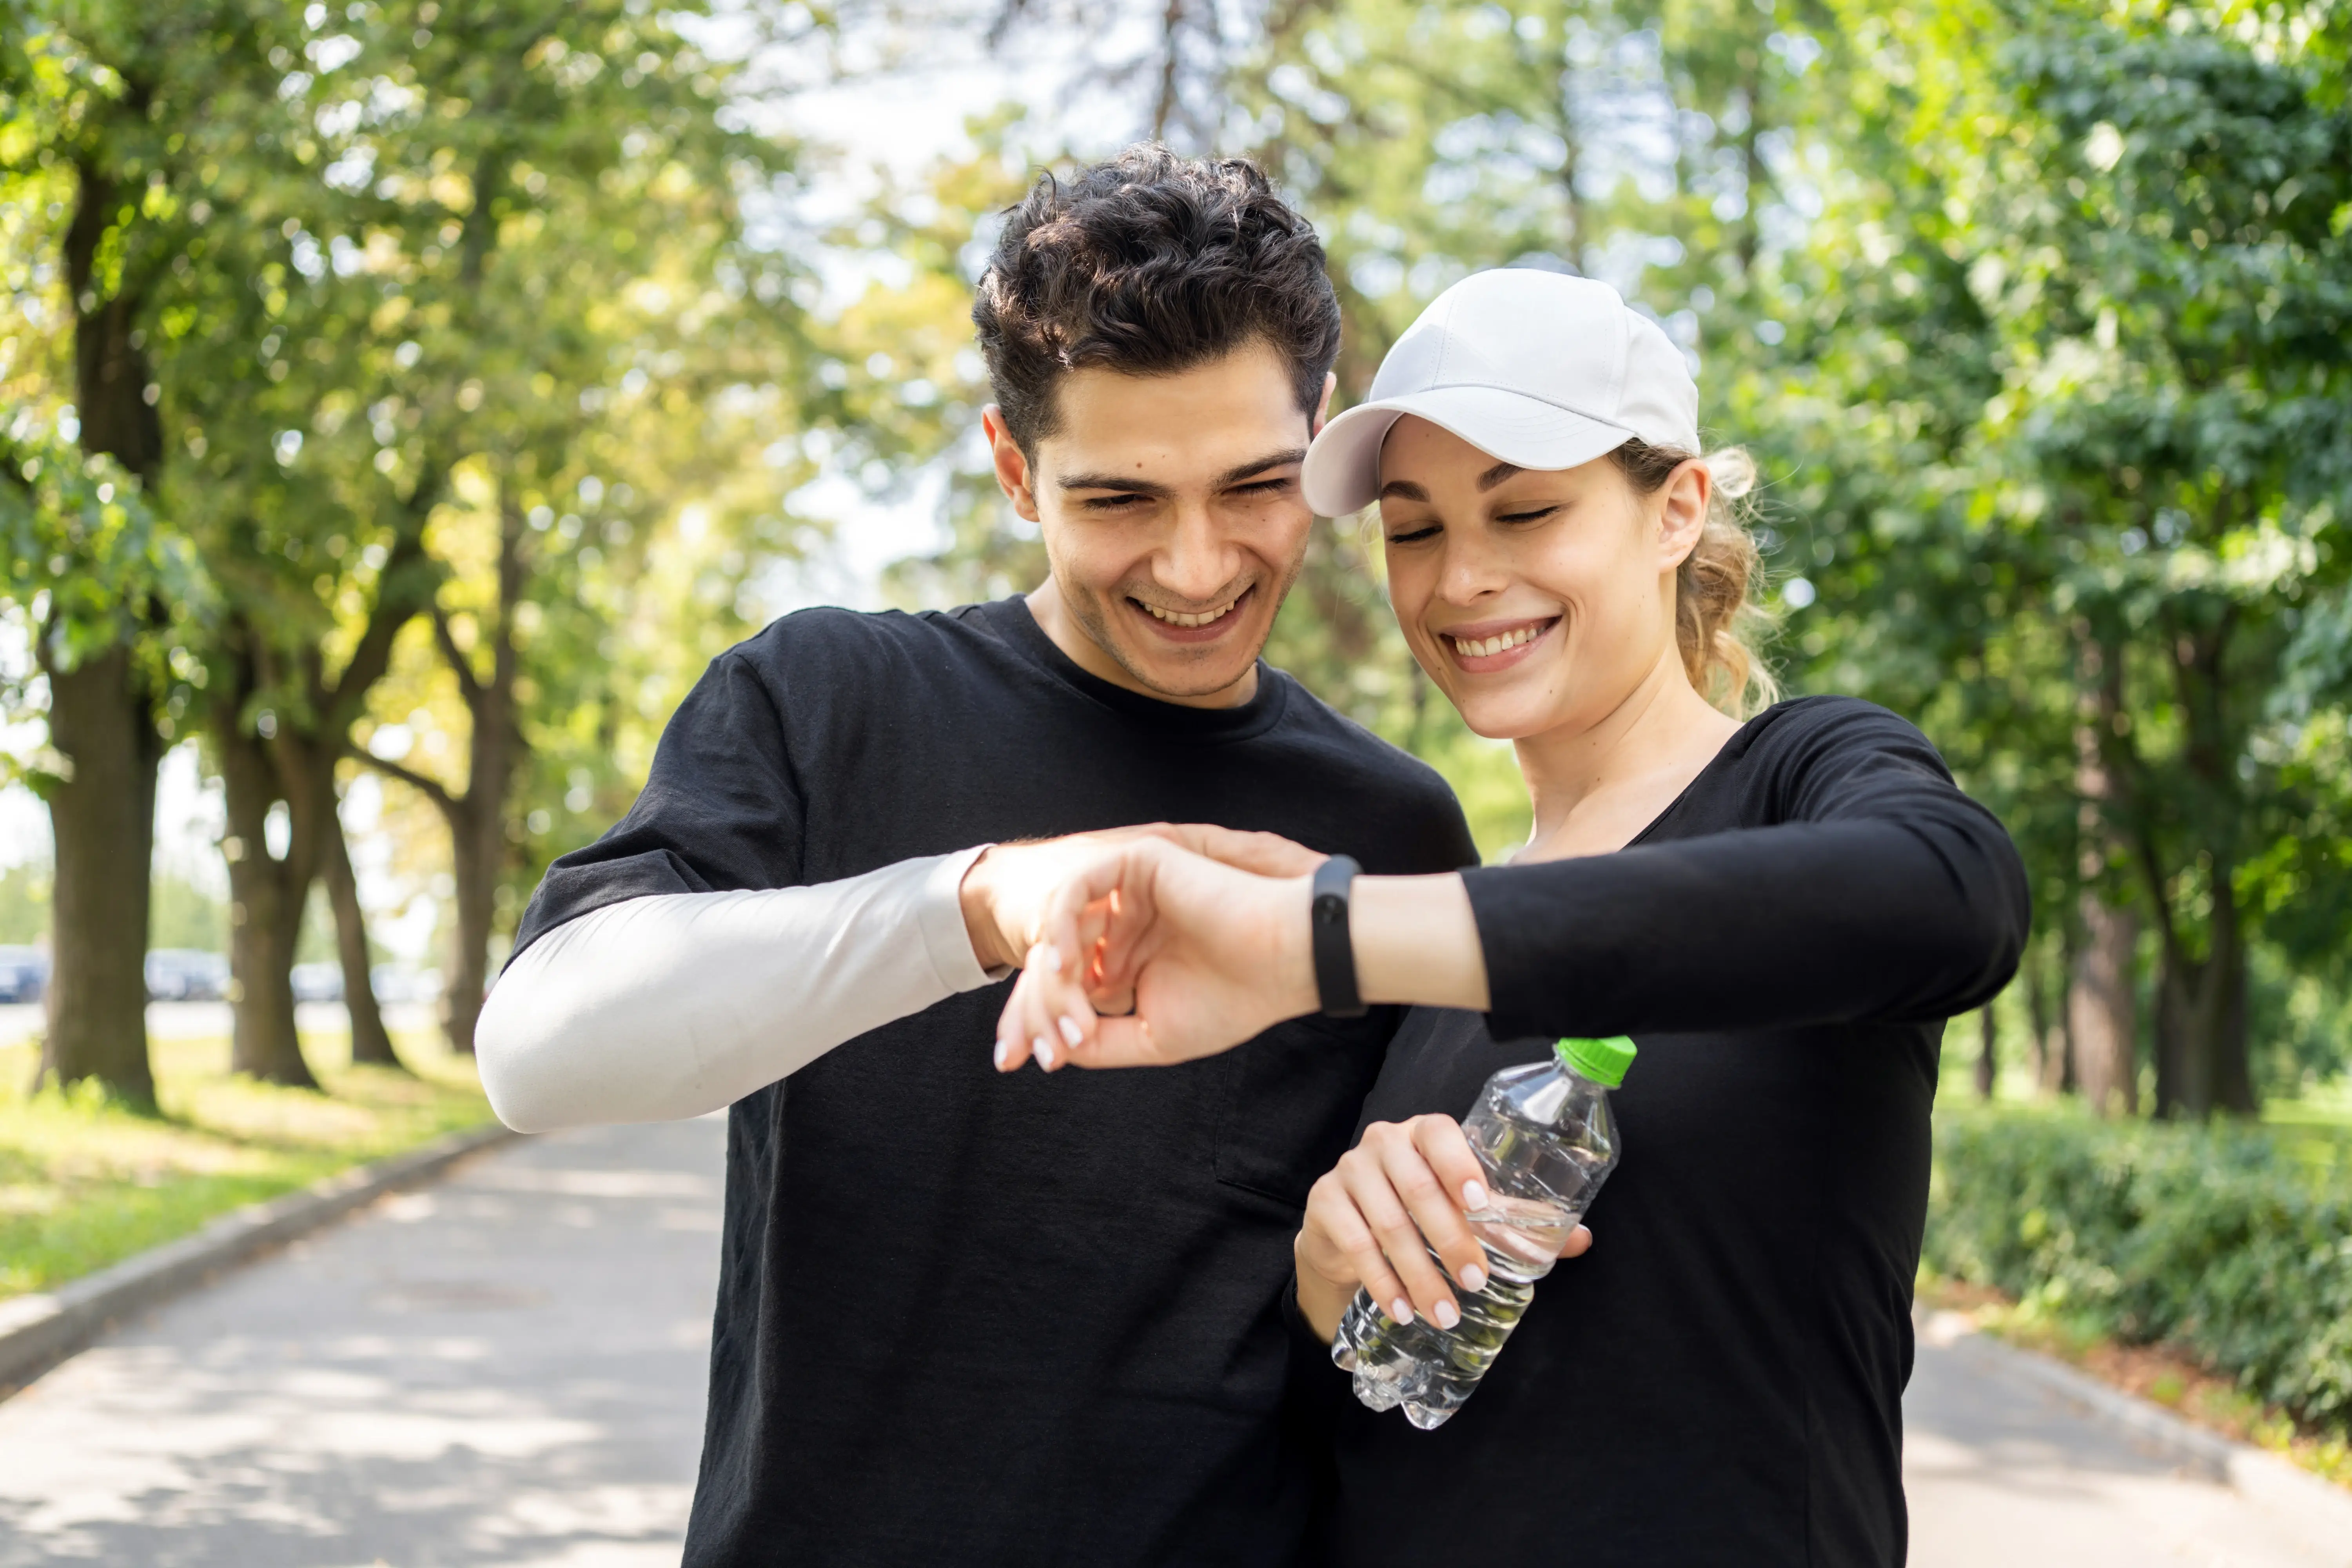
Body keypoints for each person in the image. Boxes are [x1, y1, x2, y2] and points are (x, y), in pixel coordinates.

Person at [474, 149, 1478, 1567]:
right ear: (1016, 470)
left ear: (1321, 439)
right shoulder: (827, 702)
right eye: (1121, 499)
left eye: (1255, 487)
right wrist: (988, 901)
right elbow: (538, 1053)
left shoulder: (1398, 829)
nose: (1199, 568)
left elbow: (1414, 1336)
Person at [993, 268, 2032, 1566]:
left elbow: (1955, 896)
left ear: (1677, 510)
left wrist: (1315, 934)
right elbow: (1375, 1435)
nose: (1463, 580)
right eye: (1416, 529)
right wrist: (1330, 1287)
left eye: (1526, 510)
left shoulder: (1801, 782)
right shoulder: (1447, 937)